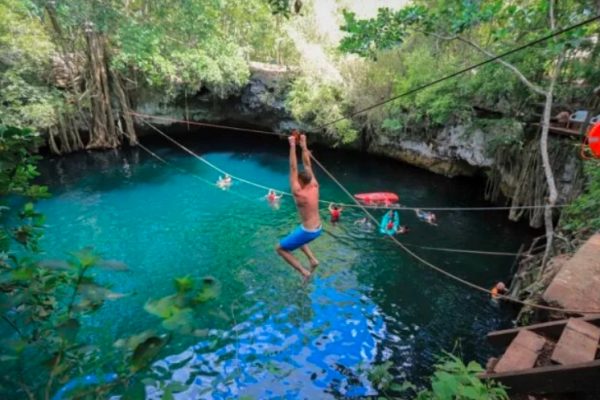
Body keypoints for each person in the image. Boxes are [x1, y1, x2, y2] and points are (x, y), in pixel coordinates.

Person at [276, 134, 321, 281]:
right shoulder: (314, 185)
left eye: (298, 180)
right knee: (298, 237)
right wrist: (303, 144)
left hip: (308, 231)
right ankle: (312, 260)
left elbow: (293, 167)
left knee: (280, 249)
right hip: (318, 228)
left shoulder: (299, 193)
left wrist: (292, 145)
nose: (296, 180)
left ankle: (304, 272)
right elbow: (307, 164)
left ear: (300, 181)